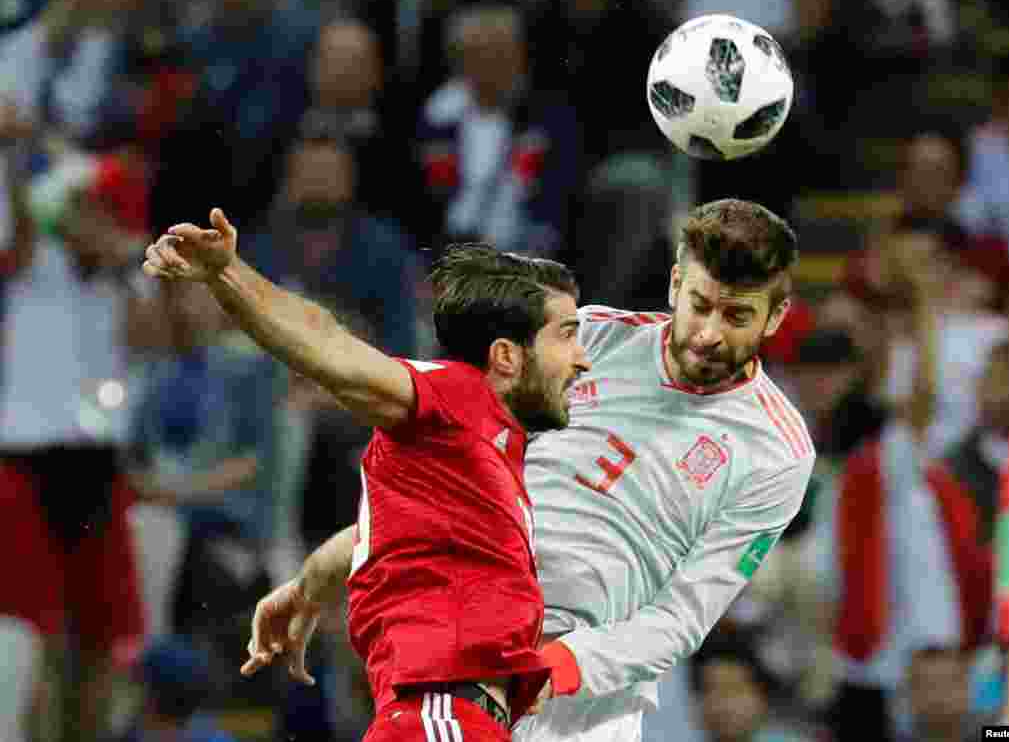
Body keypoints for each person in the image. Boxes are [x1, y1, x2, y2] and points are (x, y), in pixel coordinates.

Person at [240, 199, 814, 742]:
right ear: (673, 285)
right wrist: (316, 577)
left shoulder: (776, 451)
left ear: (777, 314)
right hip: (472, 660)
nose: (710, 333)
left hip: (586, 709)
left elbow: (683, 617)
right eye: (700, 305)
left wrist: (556, 664)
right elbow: (451, 482)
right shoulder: (586, 337)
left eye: (737, 315)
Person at [141, 208, 591, 741]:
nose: (582, 359)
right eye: (567, 335)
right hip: (440, 715)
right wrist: (227, 273)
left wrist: (311, 582)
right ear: (507, 357)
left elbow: (380, 534)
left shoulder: (486, 456)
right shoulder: (454, 397)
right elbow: (331, 348)